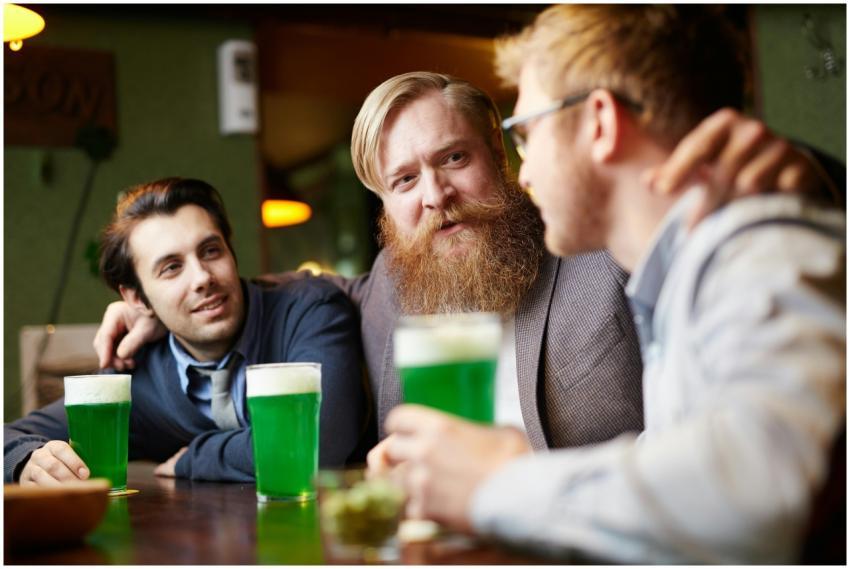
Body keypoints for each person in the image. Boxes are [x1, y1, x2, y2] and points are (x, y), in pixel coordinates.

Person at [91, 72, 838, 459]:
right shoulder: (386, 285)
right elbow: (308, 288)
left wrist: (792, 173)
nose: (437, 196)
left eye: (454, 159)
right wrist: (156, 305)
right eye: (405, 180)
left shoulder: (601, 243)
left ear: (504, 158)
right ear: (386, 207)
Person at [372, 5, 845, 563]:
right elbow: (681, 458)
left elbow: (766, 481)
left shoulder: (755, 244)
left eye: (526, 133)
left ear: (599, 122)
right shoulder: (671, 281)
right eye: (403, 180)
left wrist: (498, 482)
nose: (521, 173)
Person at [4, 178, 368, 485]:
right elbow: (9, 437)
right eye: (171, 267)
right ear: (136, 298)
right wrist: (27, 460)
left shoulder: (307, 309)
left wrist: (197, 456)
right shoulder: (139, 376)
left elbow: (319, 441)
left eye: (211, 251)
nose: (202, 278)